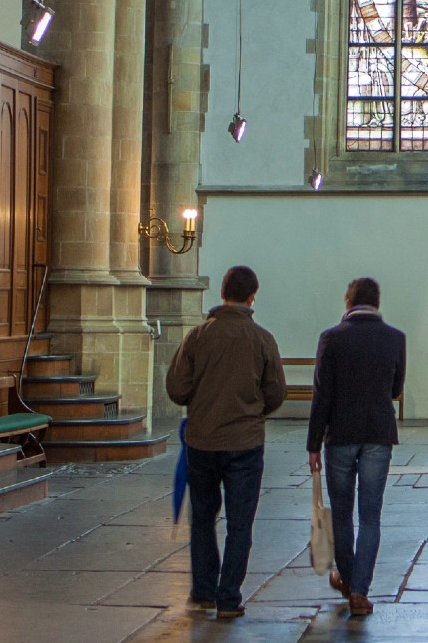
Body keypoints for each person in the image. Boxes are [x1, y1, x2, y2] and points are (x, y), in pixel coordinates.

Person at [165, 264, 286, 618]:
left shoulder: (198, 336)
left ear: (222, 293)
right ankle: (228, 598)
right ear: (253, 296)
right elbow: (276, 392)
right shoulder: (262, 339)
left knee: (202, 517)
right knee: (240, 522)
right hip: (245, 443)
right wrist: (254, 411)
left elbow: (177, 388)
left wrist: (203, 402)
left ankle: (203, 591)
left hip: (202, 442)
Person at [305, 275, 406, 619]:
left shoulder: (331, 339)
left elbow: (322, 396)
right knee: (371, 516)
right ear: (377, 303)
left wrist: (313, 444)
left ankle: (348, 580)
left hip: (341, 436)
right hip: (378, 433)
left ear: (348, 303)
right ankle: (360, 590)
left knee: (343, 514)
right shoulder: (395, 339)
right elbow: (395, 388)